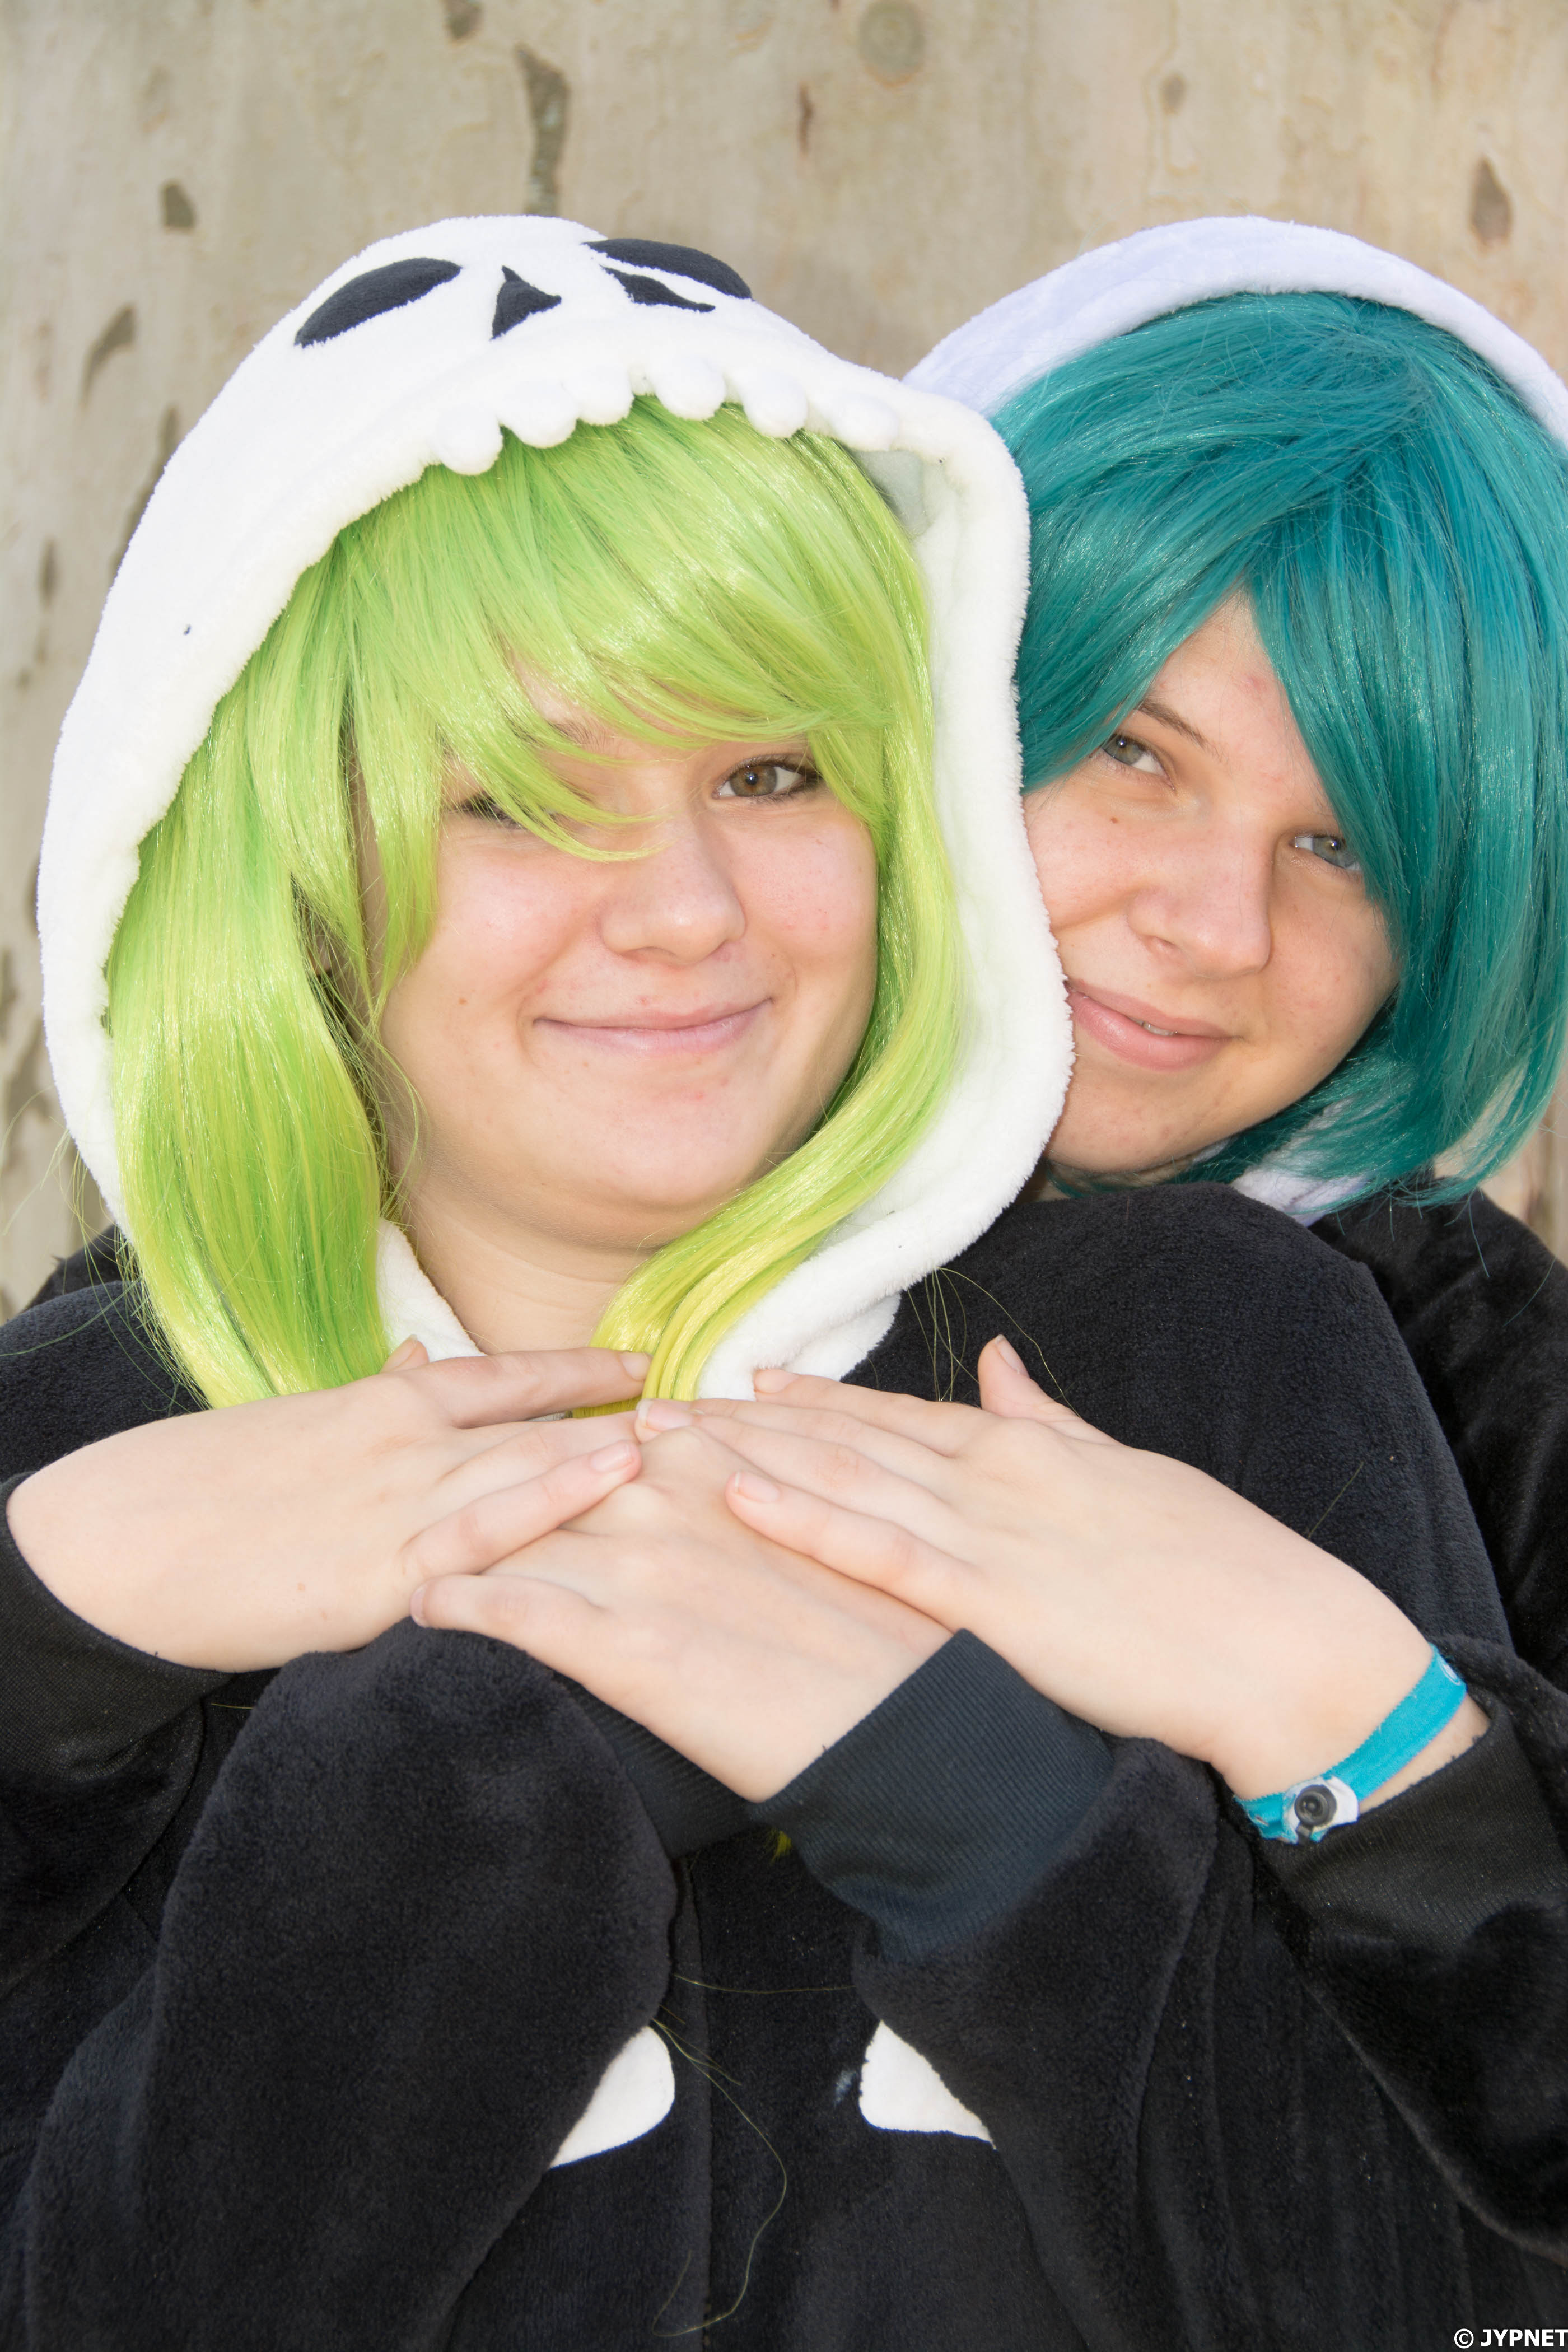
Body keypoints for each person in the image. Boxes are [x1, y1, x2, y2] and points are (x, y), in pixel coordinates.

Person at [1, 216, 1562, 2349]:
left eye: (770, 771)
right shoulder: (107, 1439)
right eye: (516, 792)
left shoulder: (1266, 1349)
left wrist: (1080, 1795)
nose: (681, 908)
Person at [899, 216, 1568, 1684]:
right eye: (1136, 751)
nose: (1214, 930)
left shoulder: (1490, 1380)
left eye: (1345, 849)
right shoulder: (562, 1173)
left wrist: (1354, 1726)